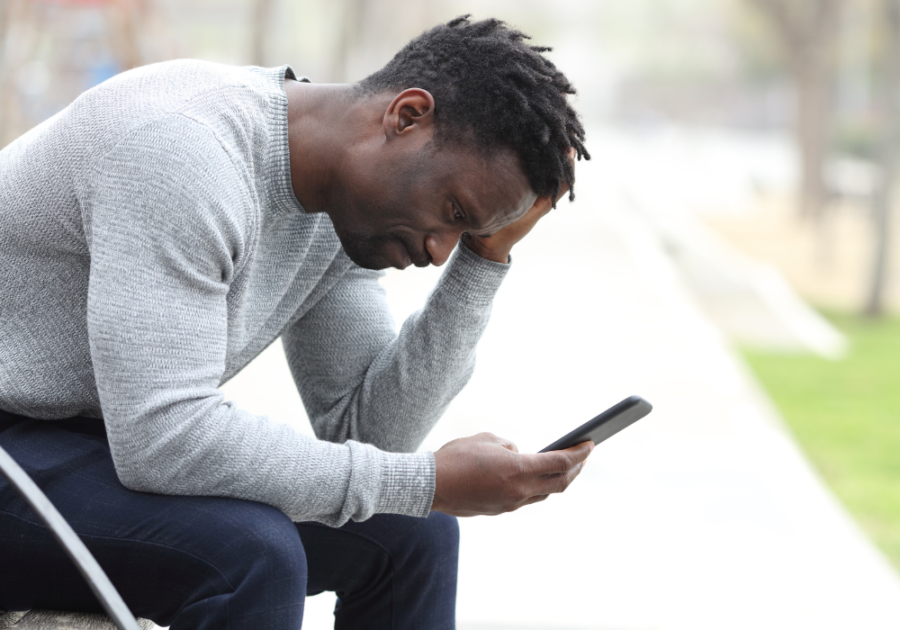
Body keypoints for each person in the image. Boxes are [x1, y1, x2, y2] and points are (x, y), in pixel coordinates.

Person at [0, 15, 591, 630]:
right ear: (406, 116)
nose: (439, 250)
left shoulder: (340, 208)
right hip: (16, 445)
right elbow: (165, 439)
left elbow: (367, 434)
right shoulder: (184, 151)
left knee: (415, 536)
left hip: (86, 445)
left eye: (463, 233)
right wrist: (426, 480)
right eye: (452, 212)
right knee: (252, 554)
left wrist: (483, 260)